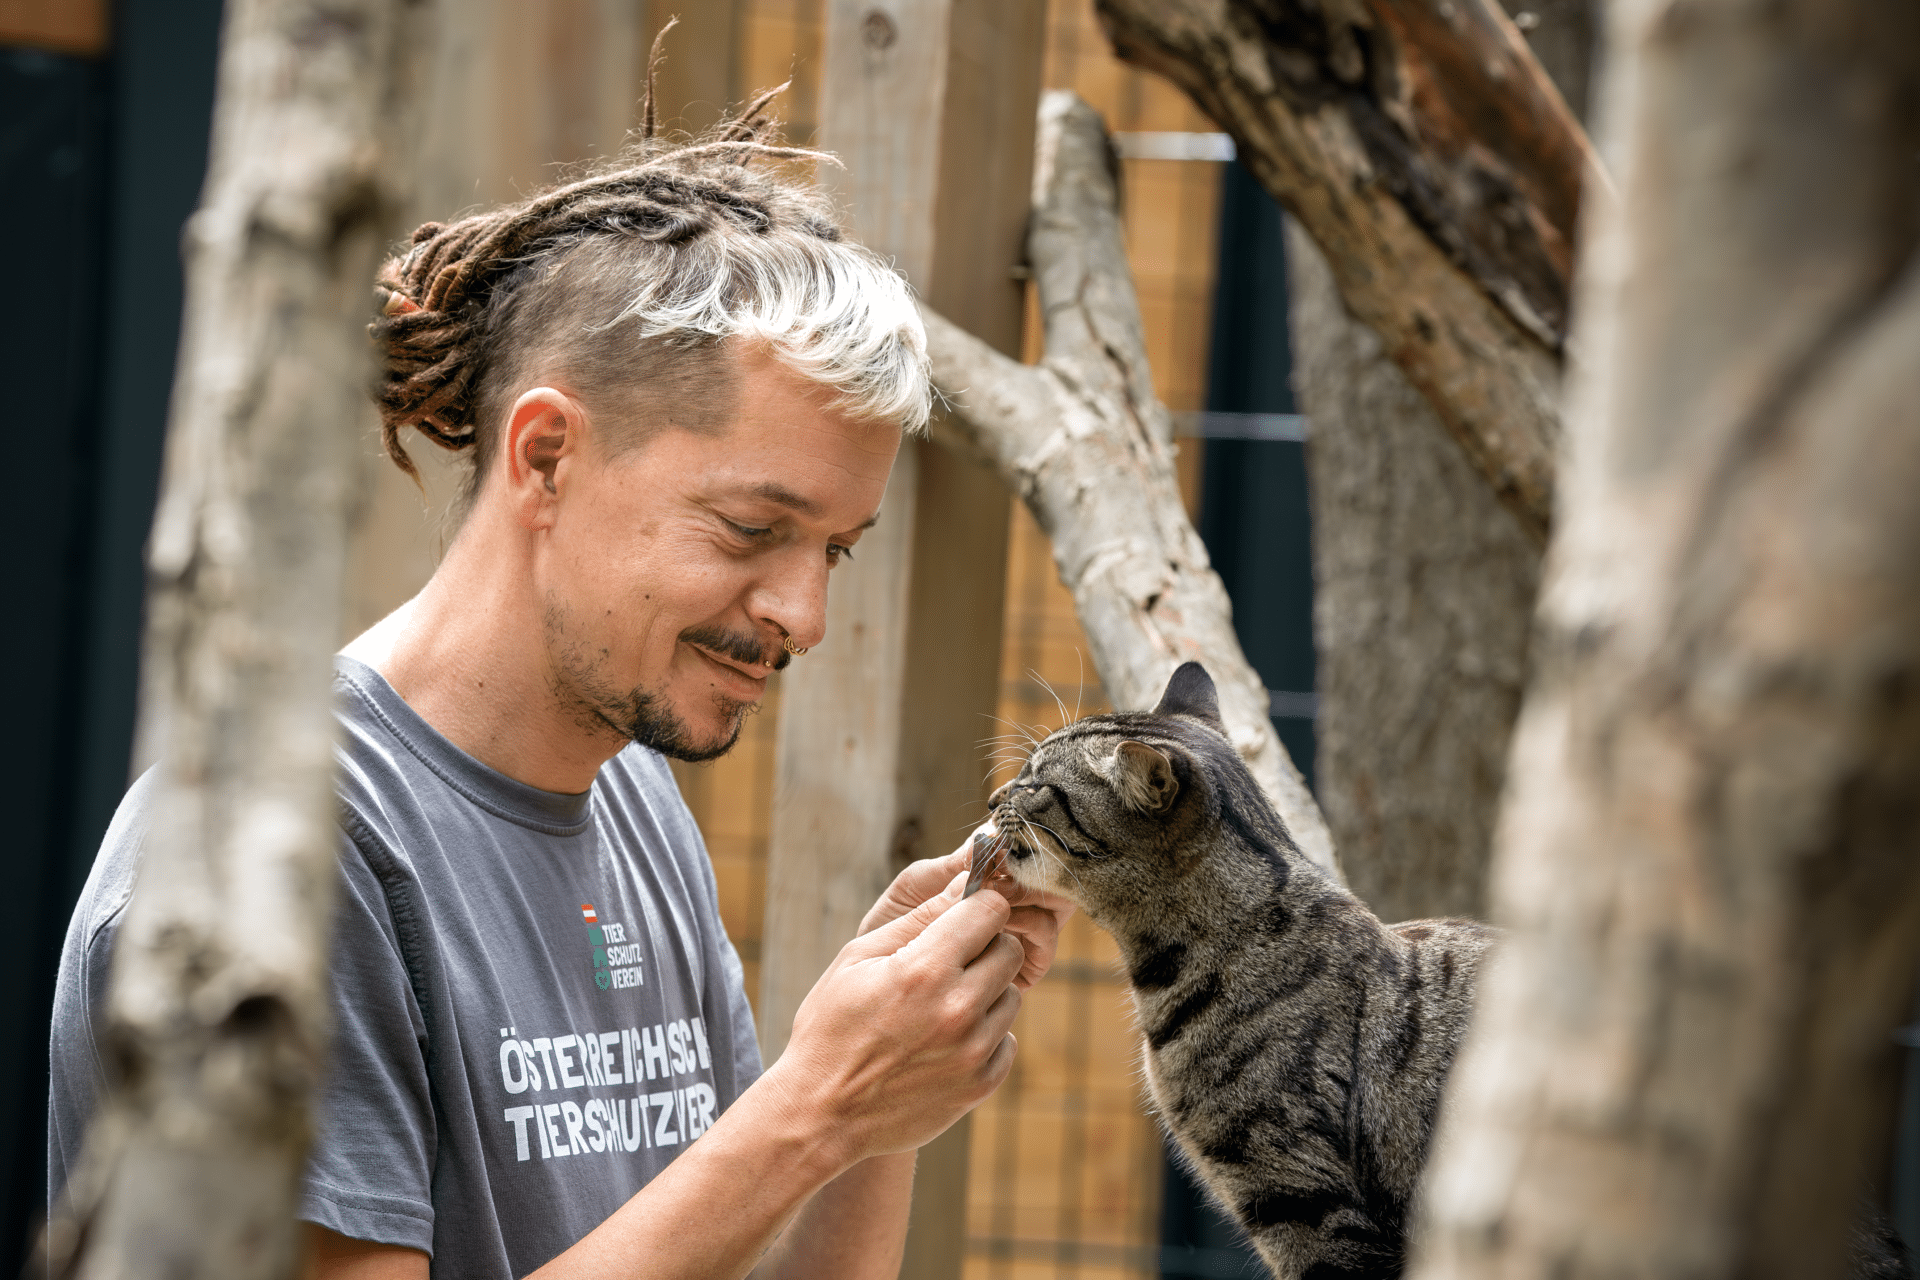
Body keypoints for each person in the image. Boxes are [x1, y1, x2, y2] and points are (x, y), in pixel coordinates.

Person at [49, 108, 1070, 1280]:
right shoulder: (280, 852)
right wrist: (810, 1109)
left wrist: (879, 1113)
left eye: (834, 549)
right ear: (545, 456)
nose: (804, 614)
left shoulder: (636, 800)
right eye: (753, 527)